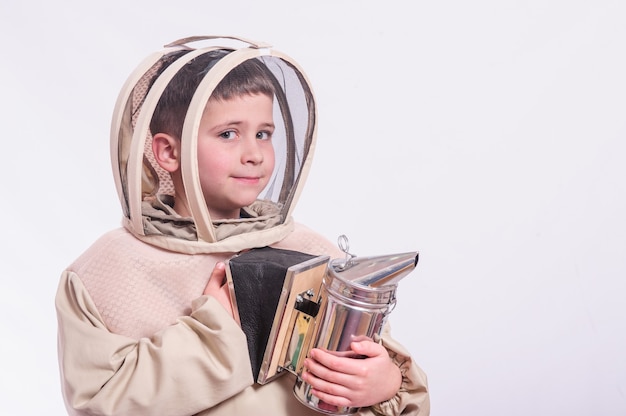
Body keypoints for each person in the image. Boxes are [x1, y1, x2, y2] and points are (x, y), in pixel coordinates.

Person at [55, 36, 430, 415]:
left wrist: (385, 384)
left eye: (263, 134)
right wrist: (215, 333)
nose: (254, 154)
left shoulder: (312, 251)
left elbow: (369, 367)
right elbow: (100, 405)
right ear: (168, 152)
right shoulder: (106, 271)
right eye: (228, 134)